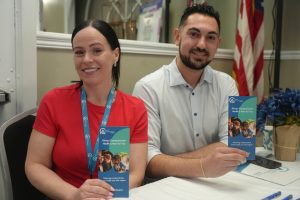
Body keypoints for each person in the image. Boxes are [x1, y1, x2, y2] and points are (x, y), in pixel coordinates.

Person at [25, 19, 148, 200]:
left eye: (96, 50)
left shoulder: (135, 109)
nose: (87, 59)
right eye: (79, 52)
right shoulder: (54, 101)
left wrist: (104, 196)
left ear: (115, 55)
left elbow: (136, 174)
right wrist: (74, 195)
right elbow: (35, 165)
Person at [132, 4, 248, 180]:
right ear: (177, 36)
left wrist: (170, 162)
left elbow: (239, 144)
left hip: (217, 183)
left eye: (210, 37)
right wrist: (202, 165)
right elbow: (147, 163)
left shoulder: (228, 85)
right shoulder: (147, 88)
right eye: (194, 34)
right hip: (165, 189)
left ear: (218, 43)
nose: (202, 44)